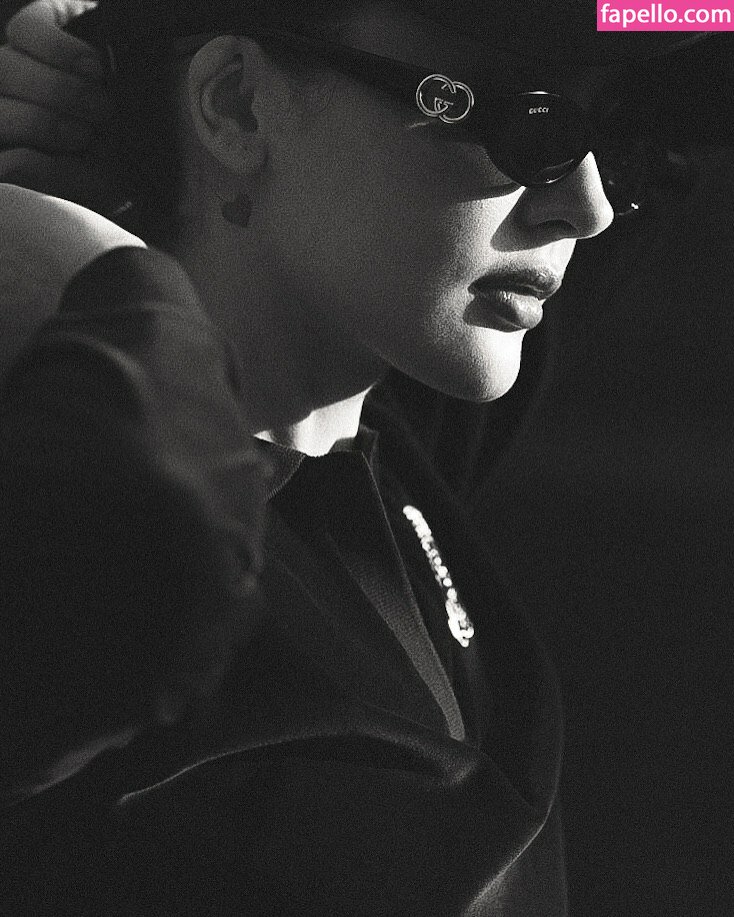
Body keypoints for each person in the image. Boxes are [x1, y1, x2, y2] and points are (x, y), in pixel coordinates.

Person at [0, 1, 703, 914]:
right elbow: (160, 530)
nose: (593, 208)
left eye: (610, 138)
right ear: (237, 105)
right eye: (529, 122)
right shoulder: (68, 532)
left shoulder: (391, 435)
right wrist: (71, 247)